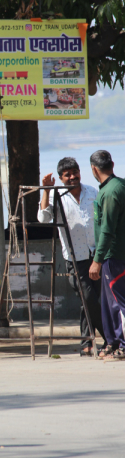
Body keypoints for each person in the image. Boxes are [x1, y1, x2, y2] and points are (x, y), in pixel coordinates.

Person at [38, 157, 106, 356]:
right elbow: (42, 218)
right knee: (88, 298)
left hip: (96, 256)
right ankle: (112, 338)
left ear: (80, 172)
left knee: (91, 300)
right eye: (67, 175)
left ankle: (87, 343)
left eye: (74, 172)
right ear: (61, 178)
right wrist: (46, 190)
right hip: (74, 259)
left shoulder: (93, 192)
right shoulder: (56, 196)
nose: (72, 177)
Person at [89, 150, 125, 358]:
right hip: (112, 255)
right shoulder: (117, 186)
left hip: (114, 255)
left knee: (119, 302)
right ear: (112, 163)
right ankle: (113, 343)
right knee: (109, 302)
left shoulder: (111, 192)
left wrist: (97, 260)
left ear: (94, 169)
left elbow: (108, 230)